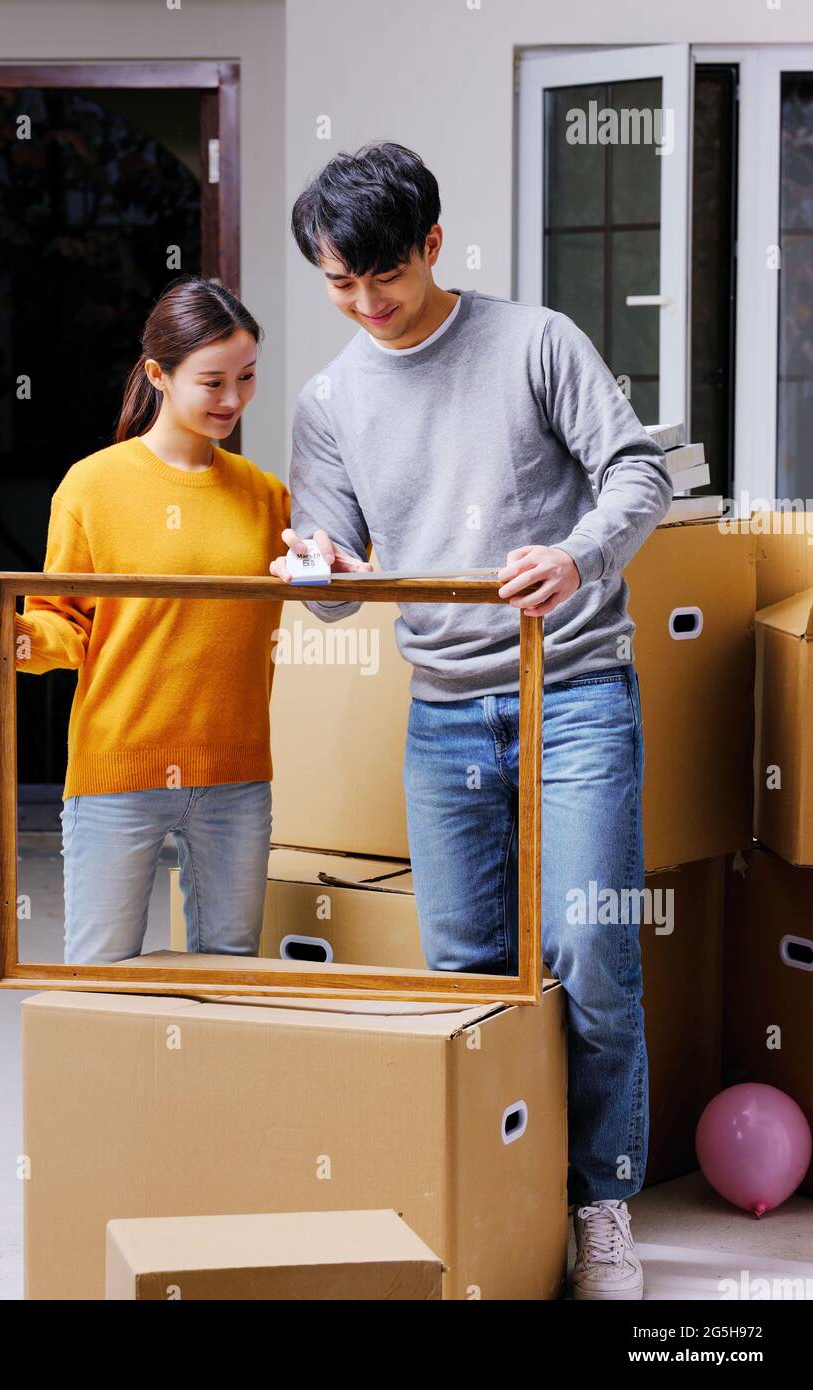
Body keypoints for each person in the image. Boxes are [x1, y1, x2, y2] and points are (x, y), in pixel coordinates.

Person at [272, 141, 673, 1300]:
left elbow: (636, 473)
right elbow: (337, 566)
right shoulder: (331, 399)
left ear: (433, 245)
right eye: (339, 285)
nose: (364, 304)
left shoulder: (535, 343)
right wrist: (324, 570)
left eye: (382, 277)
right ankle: (486, 1191)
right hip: (444, 712)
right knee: (460, 974)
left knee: (590, 953)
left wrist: (581, 553)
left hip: (575, 696)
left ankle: (601, 1204)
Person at [0, 274, 289, 966]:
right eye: (212, 382)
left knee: (230, 976)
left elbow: (328, 582)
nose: (232, 399)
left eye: (247, 377)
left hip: (236, 773)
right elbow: (63, 622)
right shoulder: (93, 486)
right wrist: (19, 638)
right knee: (100, 978)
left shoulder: (266, 497)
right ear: (158, 374)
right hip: (118, 768)